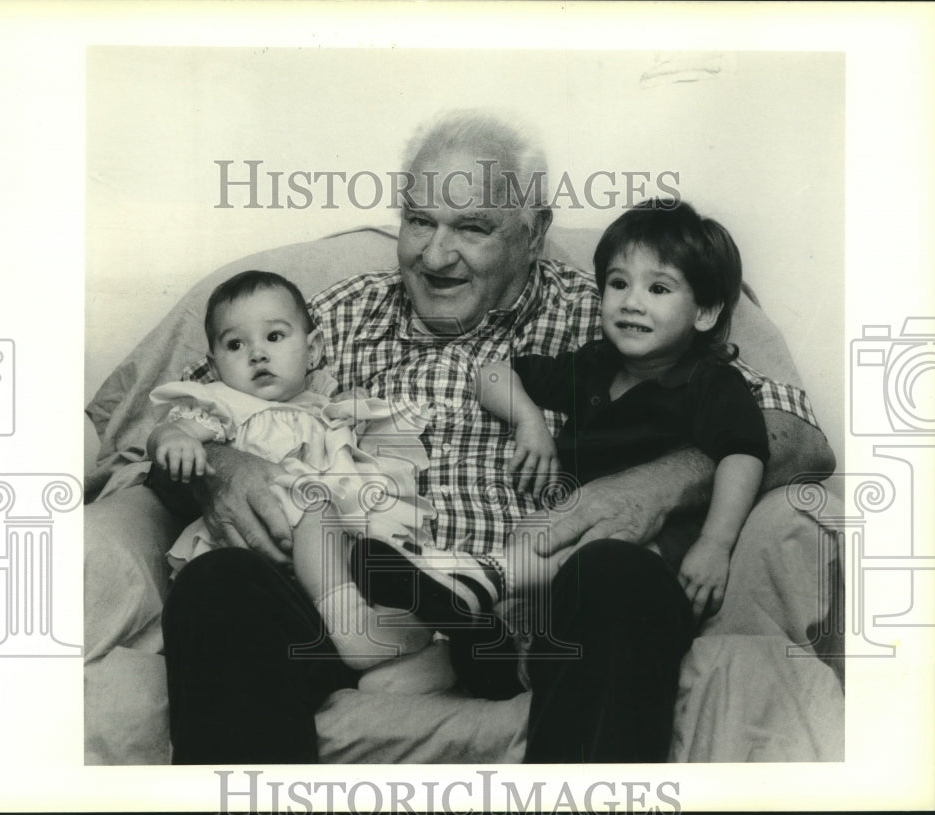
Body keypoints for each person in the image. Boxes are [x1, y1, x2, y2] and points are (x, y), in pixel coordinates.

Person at [156, 109, 835, 764]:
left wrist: (657, 482)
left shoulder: (607, 316)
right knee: (220, 584)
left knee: (620, 573)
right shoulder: (324, 316)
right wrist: (218, 461)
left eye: (472, 227)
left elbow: (795, 437)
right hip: (349, 610)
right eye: (419, 220)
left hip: (532, 615)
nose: (434, 253)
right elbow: (169, 431)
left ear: (533, 233)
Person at [476, 200, 768, 622]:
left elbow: (743, 454)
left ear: (703, 312)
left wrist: (716, 543)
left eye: (659, 289)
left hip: (656, 552)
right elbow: (492, 374)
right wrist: (528, 419)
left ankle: (480, 582)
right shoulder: (593, 366)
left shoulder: (710, 381)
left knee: (578, 555)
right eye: (618, 284)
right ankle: (502, 637)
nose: (632, 302)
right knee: (532, 537)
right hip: (577, 534)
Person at [148, 270, 437, 673]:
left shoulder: (323, 406)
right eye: (235, 344)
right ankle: (348, 623)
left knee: (376, 552)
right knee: (312, 500)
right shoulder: (226, 404)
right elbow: (173, 430)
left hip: (326, 560)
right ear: (214, 367)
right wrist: (173, 441)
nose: (257, 354)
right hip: (266, 534)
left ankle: (396, 664)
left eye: (275, 337)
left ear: (313, 348)